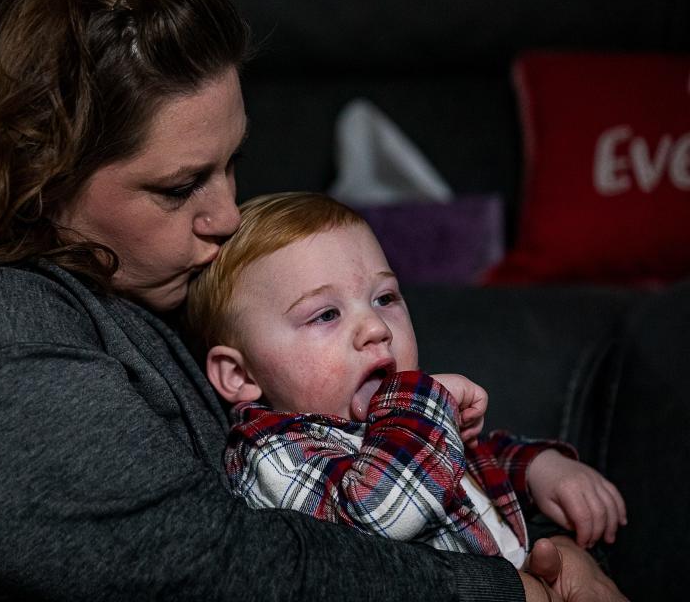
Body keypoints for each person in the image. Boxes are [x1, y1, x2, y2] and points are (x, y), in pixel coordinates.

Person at [0, 0, 623, 600]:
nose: (227, 217)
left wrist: (532, 542)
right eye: (178, 186)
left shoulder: (99, 267)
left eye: (230, 164)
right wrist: (511, 589)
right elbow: (210, 569)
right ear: (32, 171)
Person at [186, 193, 626, 565]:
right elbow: (381, 515)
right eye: (326, 314)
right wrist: (426, 403)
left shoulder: (406, 422)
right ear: (240, 375)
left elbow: (475, 462)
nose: (376, 327)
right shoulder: (274, 456)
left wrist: (540, 468)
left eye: (385, 297)